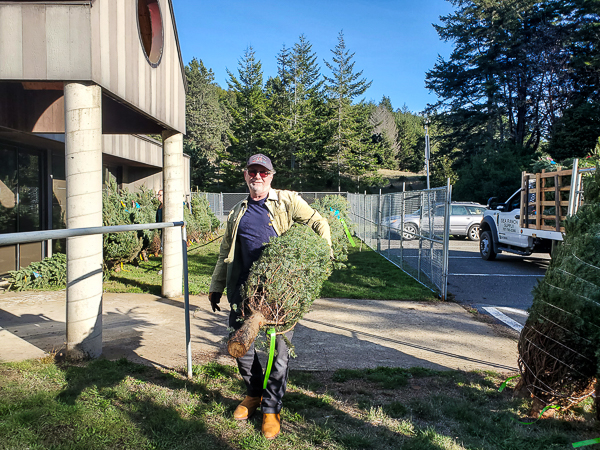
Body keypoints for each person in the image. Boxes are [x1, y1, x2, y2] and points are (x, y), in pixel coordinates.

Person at [208, 153, 331, 440]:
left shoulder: (286, 201)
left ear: (271, 176)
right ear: (245, 175)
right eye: (253, 171)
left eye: (263, 172)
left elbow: (318, 222)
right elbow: (224, 253)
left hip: (278, 292)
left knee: (279, 353)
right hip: (243, 290)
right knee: (241, 346)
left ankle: (272, 408)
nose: (258, 177)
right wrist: (217, 285)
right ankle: (254, 395)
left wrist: (323, 255)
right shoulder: (237, 212)